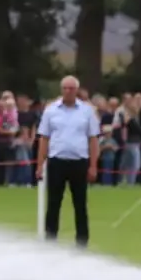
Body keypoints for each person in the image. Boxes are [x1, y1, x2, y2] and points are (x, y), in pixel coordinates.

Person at [36, 75, 100, 247]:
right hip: (57, 161)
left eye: (71, 88)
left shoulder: (87, 111)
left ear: (77, 90)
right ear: (61, 90)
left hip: (79, 162)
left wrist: (93, 165)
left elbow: (93, 139)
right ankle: (50, 239)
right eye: (65, 88)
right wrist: (40, 164)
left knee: (80, 203)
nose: (68, 91)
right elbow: (44, 138)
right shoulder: (51, 110)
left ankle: (82, 241)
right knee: (53, 203)